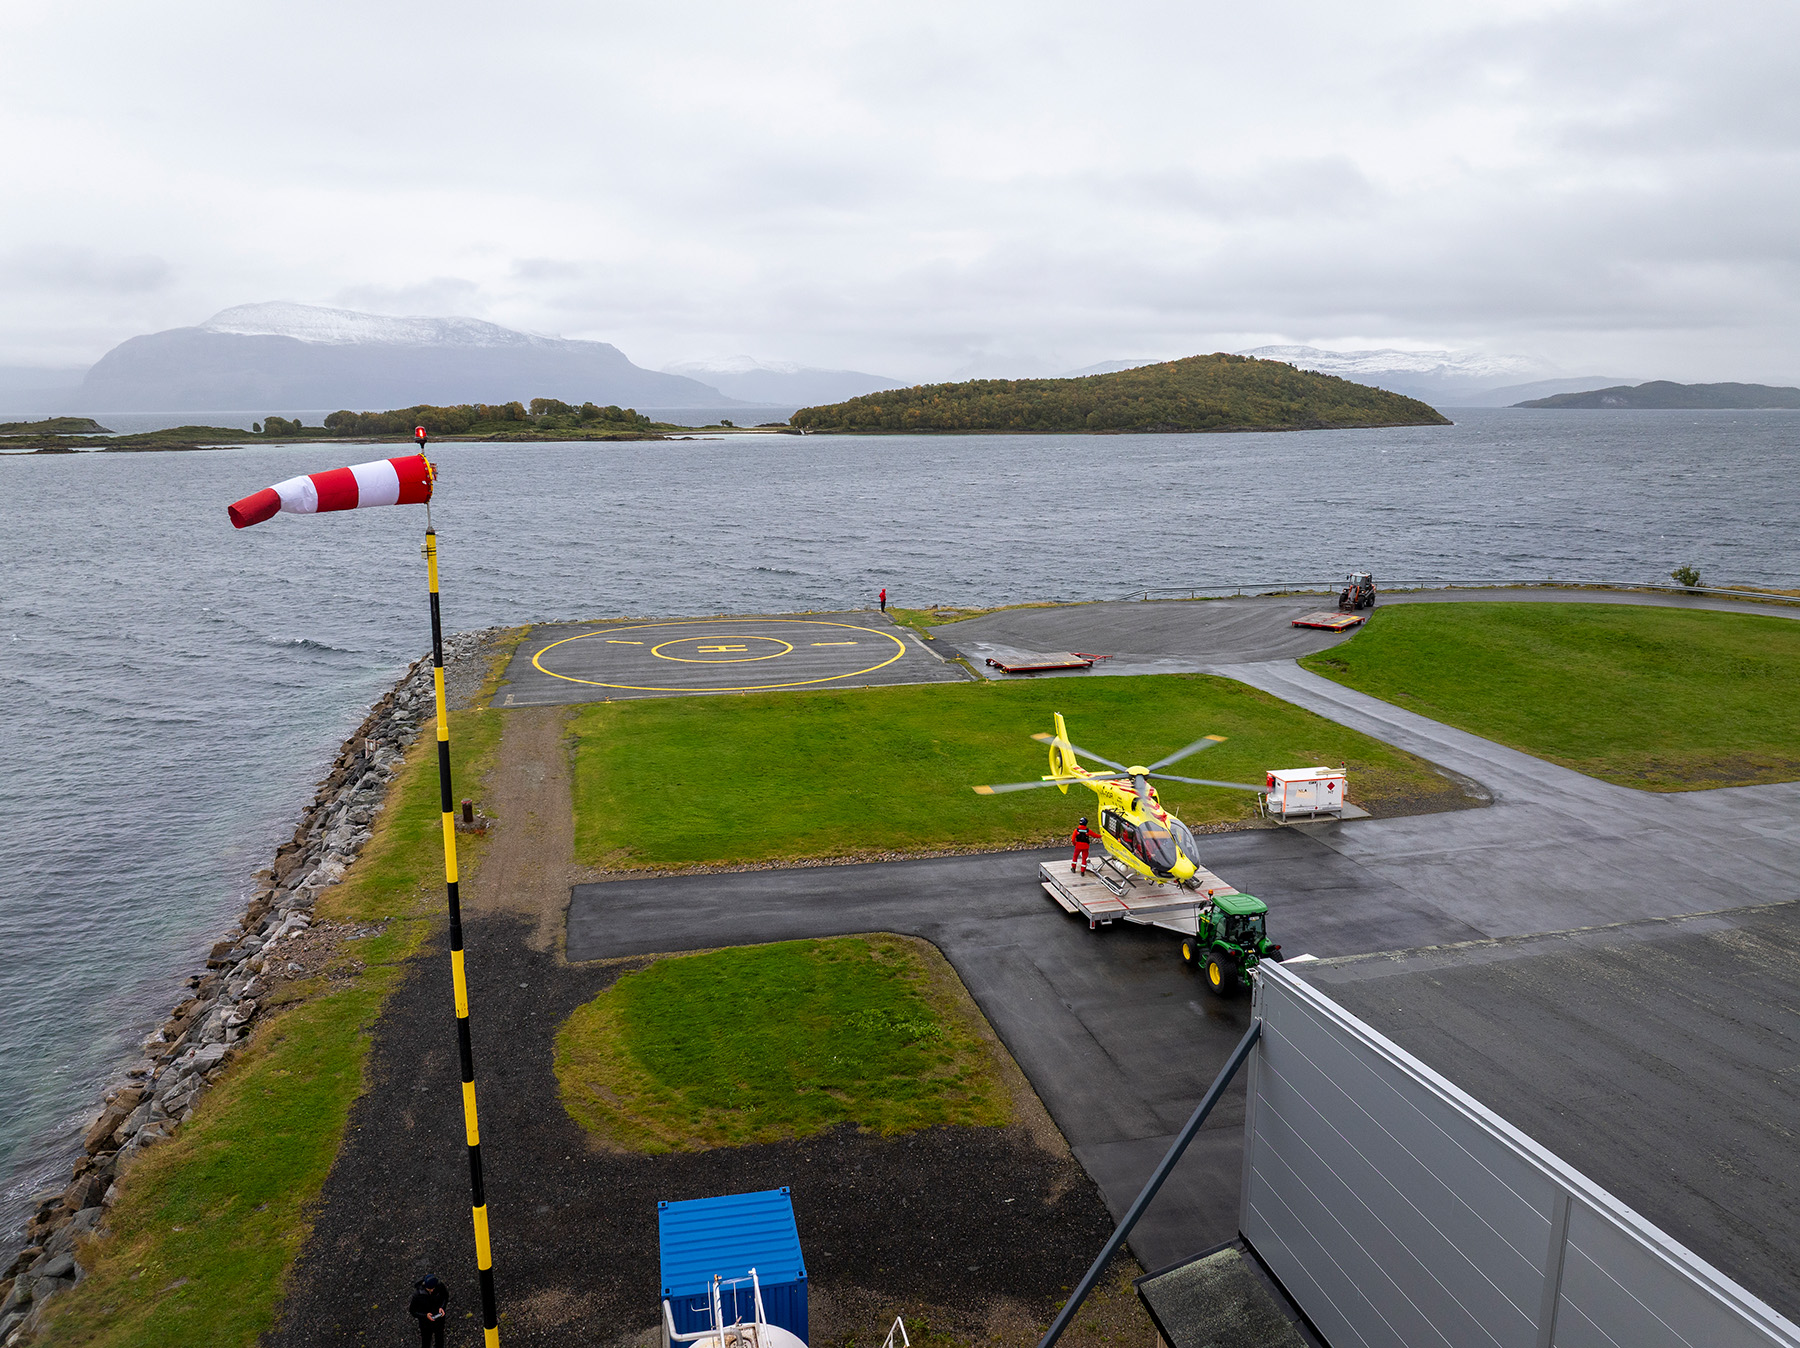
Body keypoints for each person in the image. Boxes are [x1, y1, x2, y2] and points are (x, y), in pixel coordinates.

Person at [410, 1274, 450, 1348]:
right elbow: (413, 1311)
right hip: (425, 1324)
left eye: (433, 1288)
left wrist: (442, 1307)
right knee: (426, 1342)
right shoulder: (418, 1294)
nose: (432, 1290)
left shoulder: (440, 1286)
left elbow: (445, 1297)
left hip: (439, 1320)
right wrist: (425, 1316)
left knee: (440, 1340)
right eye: (430, 1289)